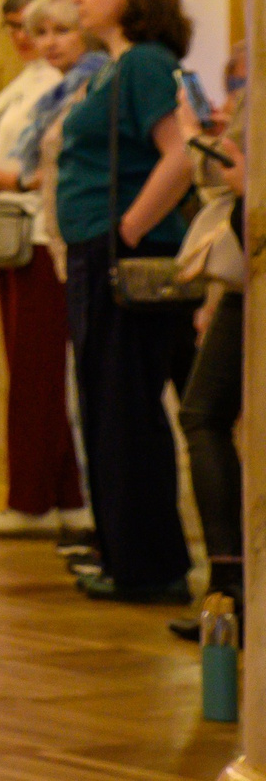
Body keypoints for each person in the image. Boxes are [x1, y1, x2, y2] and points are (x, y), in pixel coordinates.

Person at [57, 0, 201, 603]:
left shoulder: (142, 61)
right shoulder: (115, 66)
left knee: (125, 412)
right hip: (99, 248)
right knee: (110, 410)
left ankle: (148, 566)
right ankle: (128, 556)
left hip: (122, 252)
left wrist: (128, 228)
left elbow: (179, 157)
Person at [0, 0, 89, 538]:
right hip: (22, 230)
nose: (38, 39)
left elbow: (57, 163)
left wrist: (8, 176)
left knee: (39, 375)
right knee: (29, 373)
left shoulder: (77, 83)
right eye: (30, 28)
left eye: (59, 29)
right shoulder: (35, 83)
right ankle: (57, 496)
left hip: (45, 234)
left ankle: (39, 499)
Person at [175, 42, 247, 639]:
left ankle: (230, 588)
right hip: (246, 273)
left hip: (254, 269)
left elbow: (242, 183)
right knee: (202, 412)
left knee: (202, 412)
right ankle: (227, 585)